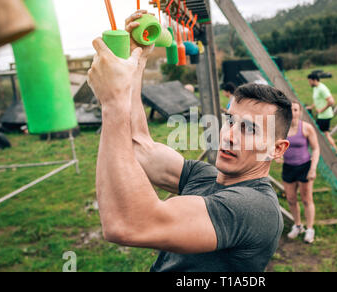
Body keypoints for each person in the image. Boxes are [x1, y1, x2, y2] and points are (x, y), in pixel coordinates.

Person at [87, 10, 293, 272]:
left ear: (277, 149)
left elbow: (129, 224)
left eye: (249, 129)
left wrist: (113, 103)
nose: (228, 136)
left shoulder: (255, 208)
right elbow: (139, 145)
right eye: (230, 121)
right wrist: (137, 60)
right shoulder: (205, 175)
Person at [277, 101, 320, 244]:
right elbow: (276, 145)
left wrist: (313, 168)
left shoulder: (307, 128)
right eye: (290, 110)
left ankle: (310, 229)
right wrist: (278, 154)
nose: (293, 112)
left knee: (307, 199)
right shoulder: (282, 128)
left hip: (304, 167)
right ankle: (297, 225)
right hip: (288, 168)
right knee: (290, 199)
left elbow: (316, 149)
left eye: (295, 110)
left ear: (300, 112)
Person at [306, 74, 337, 155]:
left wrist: (321, 110)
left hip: (325, 116)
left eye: (309, 81)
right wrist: (311, 107)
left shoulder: (322, 88)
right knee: (324, 133)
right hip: (321, 115)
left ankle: (334, 150)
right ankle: (334, 150)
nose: (309, 83)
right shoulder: (316, 88)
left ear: (314, 80)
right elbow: (318, 100)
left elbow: (331, 101)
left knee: (321, 133)